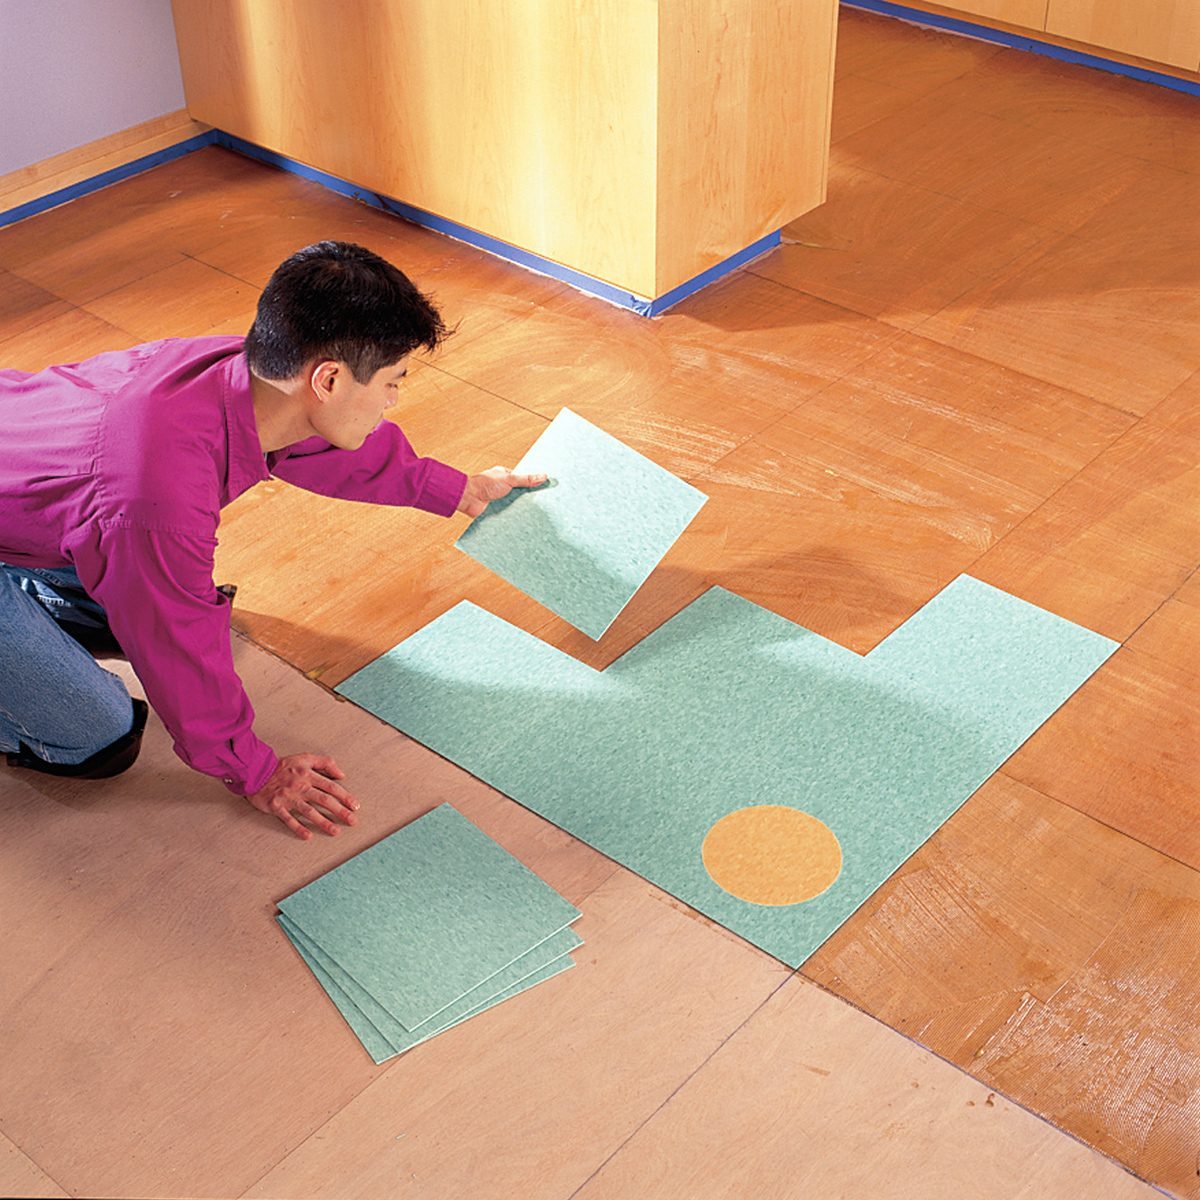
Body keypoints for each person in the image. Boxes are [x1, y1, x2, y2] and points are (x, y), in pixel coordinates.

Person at [0, 240, 544, 839]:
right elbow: (178, 645)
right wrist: (253, 770)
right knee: (98, 736)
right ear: (329, 378)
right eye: (393, 382)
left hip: (48, 497)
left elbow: (318, 443)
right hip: (106, 506)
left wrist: (455, 488)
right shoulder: (156, 503)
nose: (394, 400)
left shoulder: (237, 377)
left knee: (134, 599)